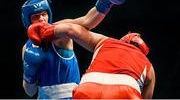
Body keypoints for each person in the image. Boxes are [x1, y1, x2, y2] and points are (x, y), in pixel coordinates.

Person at [21, 0, 129, 99]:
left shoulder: (59, 30)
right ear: (28, 20)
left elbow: (87, 21)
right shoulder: (27, 47)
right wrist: (29, 72)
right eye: (36, 16)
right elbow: (30, 92)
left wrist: (105, 2)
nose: (41, 19)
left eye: (44, 14)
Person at [27, 22, 156, 99]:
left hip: (90, 86)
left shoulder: (107, 41)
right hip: (126, 91)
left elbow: (71, 30)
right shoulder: (149, 67)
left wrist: (46, 31)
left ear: (121, 40)